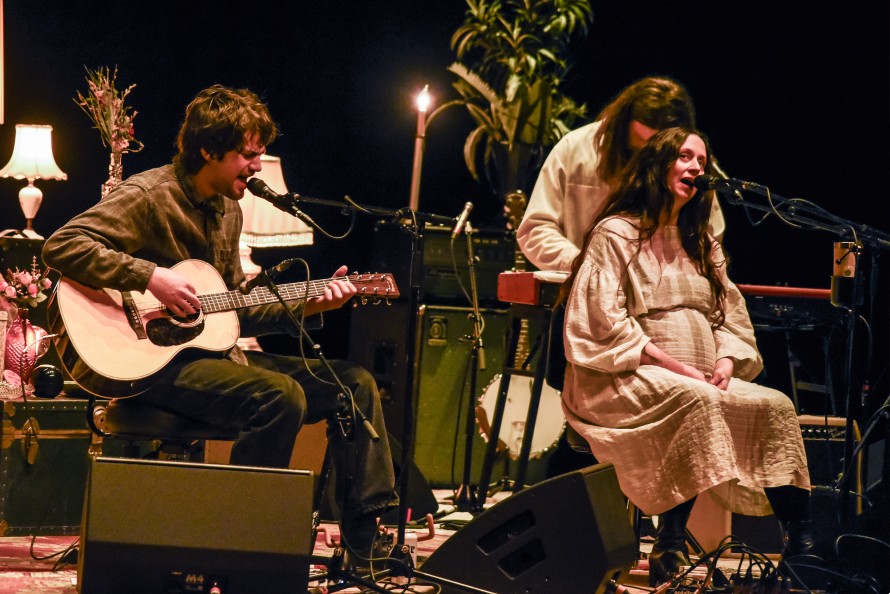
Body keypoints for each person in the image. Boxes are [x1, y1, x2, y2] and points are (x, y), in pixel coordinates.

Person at [42, 85, 396, 563]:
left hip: (206, 357)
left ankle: (364, 545)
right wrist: (152, 277)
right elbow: (62, 246)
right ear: (208, 149)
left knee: (353, 384)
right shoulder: (150, 195)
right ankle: (238, 546)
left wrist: (315, 305)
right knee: (278, 395)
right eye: (248, 155)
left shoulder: (227, 209)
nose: (256, 166)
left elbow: (234, 309)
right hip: (145, 364)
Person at [560, 126, 813, 586]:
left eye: (702, 159)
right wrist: (675, 366)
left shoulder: (702, 244)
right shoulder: (617, 233)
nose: (697, 167)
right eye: (684, 156)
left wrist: (725, 363)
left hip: (700, 380)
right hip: (622, 377)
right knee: (695, 403)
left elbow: (730, 319)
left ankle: (802, 546)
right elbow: (601, 319)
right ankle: (669, 547)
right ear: (657, 164)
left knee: (775, 407)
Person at [517, 76, 726, 273]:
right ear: (622, 124)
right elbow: (536, 229)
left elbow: (708, 237)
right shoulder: (576, 150)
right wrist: (585, 265)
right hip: (580, 295)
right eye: (639, 143)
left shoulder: (690, 167)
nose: (646, 157)